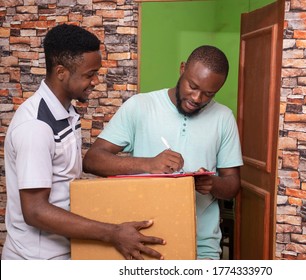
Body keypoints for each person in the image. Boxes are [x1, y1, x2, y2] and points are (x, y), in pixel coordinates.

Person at [2, 23, 165, 260]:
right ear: (61, 72)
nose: (96, 81)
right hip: (36, 260)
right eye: (90, 74)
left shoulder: (65, 112)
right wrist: (112, 233)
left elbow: (65, 186)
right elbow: (35, 211)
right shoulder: (35, 127)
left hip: (63, 251)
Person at [83, 45, 243, 259]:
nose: (196, 98)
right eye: (192, 86)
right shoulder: (140, 106)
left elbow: (232, 185)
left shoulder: (224, 118)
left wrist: (212, 183)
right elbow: (92, 160)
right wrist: (148, 164)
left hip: (202, 247)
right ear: (182, 68)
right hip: (143, 242)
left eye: (208, 94)